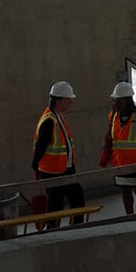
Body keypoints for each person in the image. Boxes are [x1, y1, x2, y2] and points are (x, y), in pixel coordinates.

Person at [31, 81, 85, 227]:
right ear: (59, 101)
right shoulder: (49, 121)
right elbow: (41, 146)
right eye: (68, 100)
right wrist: (35, 165)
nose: (70, 103)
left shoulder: (57, 117)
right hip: (53, 171)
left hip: (62, 168)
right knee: (60, 202)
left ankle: (68, 228)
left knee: (70, 199)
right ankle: (63, 230)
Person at [104, 82, 136, 214]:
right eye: (114, 101)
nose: (115, 104)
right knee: (125, 191)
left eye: (118, 101)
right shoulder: (113, 116)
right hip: (120, 163)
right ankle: (129, 216)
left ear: (126, 100)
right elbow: (110, 138)